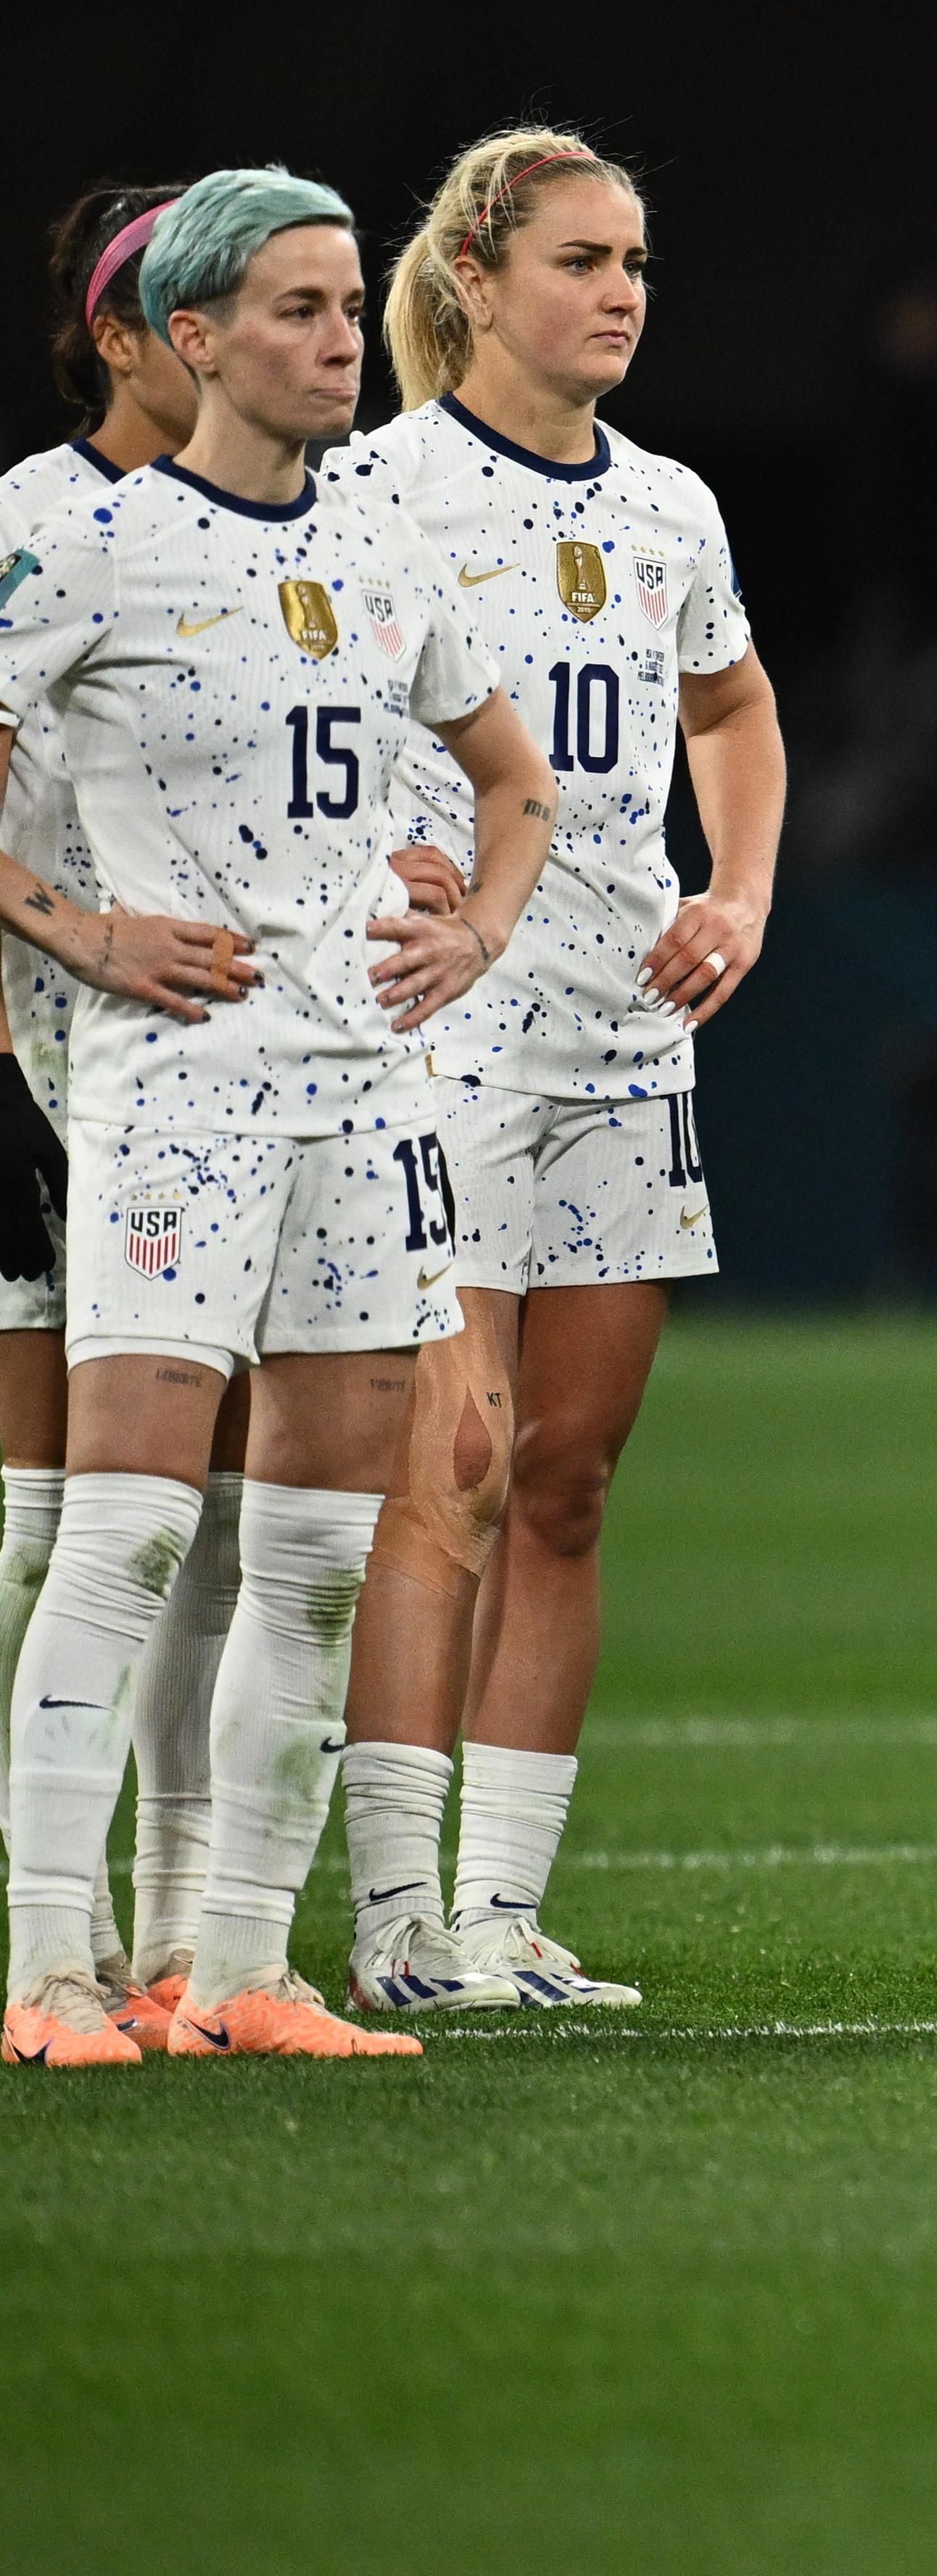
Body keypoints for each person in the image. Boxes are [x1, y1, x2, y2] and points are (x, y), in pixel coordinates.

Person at [0, 166, 558, 2067]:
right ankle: (51, 1971)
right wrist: (82, 928)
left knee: (314, 1555)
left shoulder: (395, 549)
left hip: (362, 1100)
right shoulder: (82, 542)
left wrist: (472, 931)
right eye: (305, 311)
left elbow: (517, 782)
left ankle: (244, 1964)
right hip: (178, 1096)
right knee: (127, 1531)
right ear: (196, 336)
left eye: (349, 306)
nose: (344, 340)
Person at [326, 127, 784, 2015]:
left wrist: (740, 889)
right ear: (475, 285)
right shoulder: (375, 491)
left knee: (572, 1483)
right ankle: (392, 1917)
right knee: (454, 1461)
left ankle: (506, 1912)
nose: (621, 294)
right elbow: (283, 731)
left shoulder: (669, 504)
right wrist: (370, 866)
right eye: (586, 259)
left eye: (639, 263)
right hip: (439, 1043)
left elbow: (735, 709)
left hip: (621, 1039)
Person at [0, 181, 227, 2039]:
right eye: (199, 299)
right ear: (126, 337)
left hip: (216, 1092)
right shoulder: (44, 524)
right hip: (41, 1060)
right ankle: (39, 1929)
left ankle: (176, 1941)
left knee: (206, 1529)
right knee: (44, 1521)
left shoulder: (294, 527)